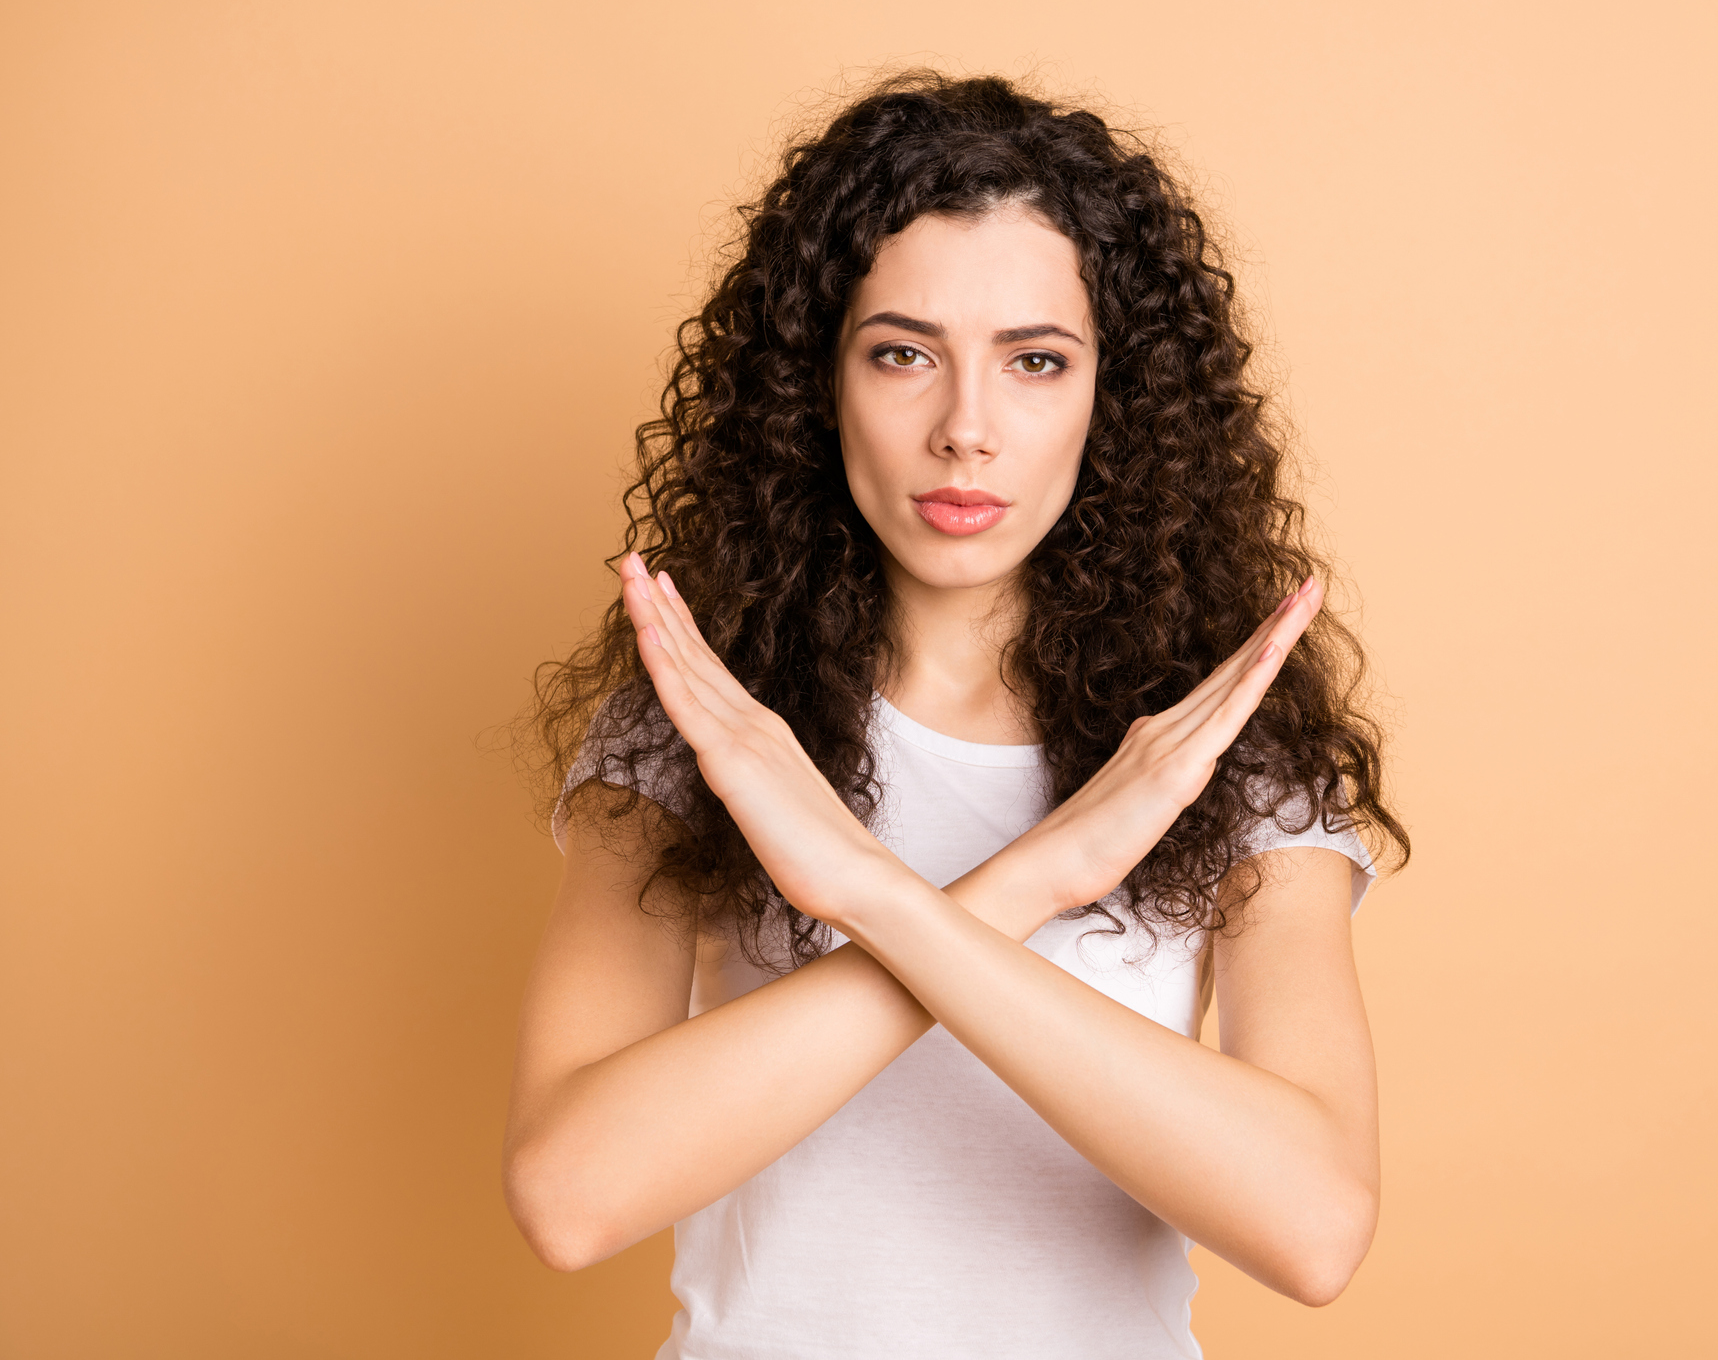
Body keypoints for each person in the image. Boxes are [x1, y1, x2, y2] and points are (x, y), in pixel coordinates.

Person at [503, 71, 1409, 1359]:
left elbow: (1314, 1228)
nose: (966, 431)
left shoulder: (1211, 750)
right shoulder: (702, 726)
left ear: (1116, 401)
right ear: (816, 383)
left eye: (1035, 362)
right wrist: (1035, 878)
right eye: (903, 354)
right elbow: (571, 1196)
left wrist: (868, 896)